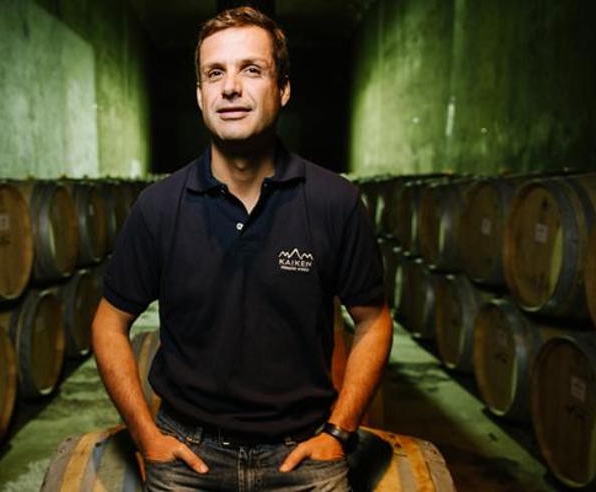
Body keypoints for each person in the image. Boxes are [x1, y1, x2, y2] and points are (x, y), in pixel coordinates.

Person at [92, 6, 392, 491]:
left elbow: (374, 321)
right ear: (200, 94)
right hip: (187, 453)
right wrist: (145, 434)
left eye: (251, 69)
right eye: (215, 73)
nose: (230, 87)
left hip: (303, 452)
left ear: (283, 88)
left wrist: (339, 431)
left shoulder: (334, 201)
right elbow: (109, 323)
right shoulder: (158, 206)